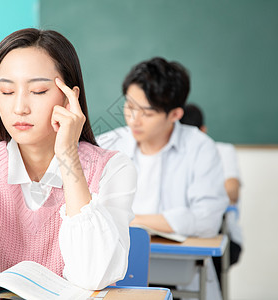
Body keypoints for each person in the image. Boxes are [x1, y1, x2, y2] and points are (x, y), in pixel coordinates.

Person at [0, 28, 136, 290]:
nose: (20, 107)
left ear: (70, 98)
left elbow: (94, 276)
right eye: (8, 92)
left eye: (39, 90)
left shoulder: (111, 168)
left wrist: (68, 154)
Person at [97, 57, 228, 299]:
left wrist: (128, 221)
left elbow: (207, 220)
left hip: (182, 274)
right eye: (129, 106)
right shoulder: (107, 144)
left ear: (175, 114)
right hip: (116, 274)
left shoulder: (200, 148)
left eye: (146, 112)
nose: (133, 119)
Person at [180, 103, 243, 284]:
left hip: (222, 235)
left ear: (204, 131)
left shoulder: (222, 151)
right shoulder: (172, 155)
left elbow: (232, 192)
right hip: (179, 233)